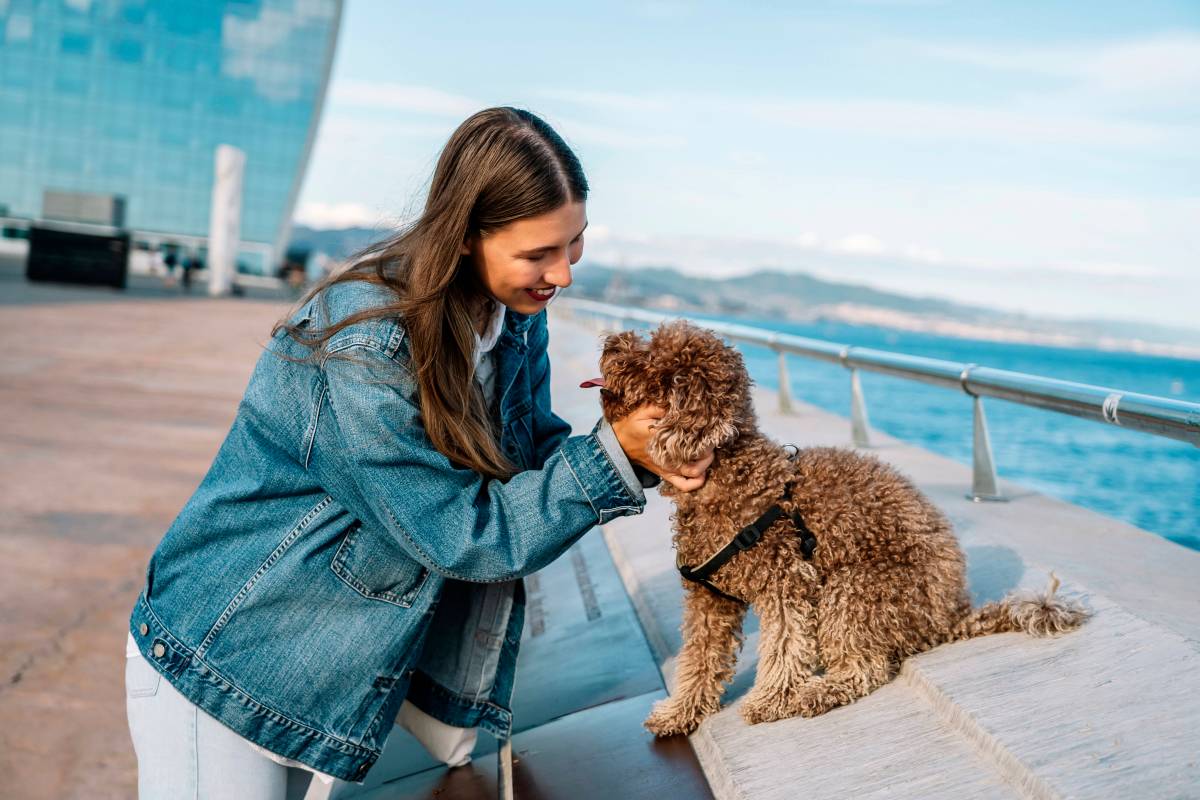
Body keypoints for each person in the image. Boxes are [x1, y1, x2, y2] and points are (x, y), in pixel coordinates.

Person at [123, 106, 715, 799]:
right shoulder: (367, 346)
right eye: (538, 254)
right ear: (466, 236)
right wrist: (610, 457)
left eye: (574, 244)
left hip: (316, 668)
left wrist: (641, 451)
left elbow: (524, 450)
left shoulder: (511, 317)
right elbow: (461, 534)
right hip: (225, 658)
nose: (563, 274)